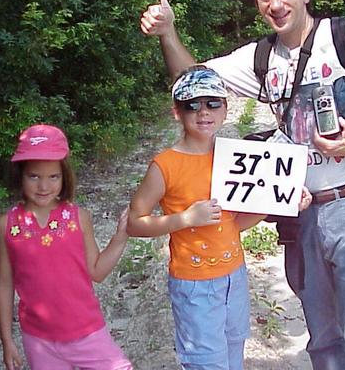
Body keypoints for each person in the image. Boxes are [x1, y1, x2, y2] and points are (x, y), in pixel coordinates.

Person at [140, 0, 345, 369]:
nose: (276, 3)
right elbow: (194, 81)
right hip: (298, 214)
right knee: (321, 334)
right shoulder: (261, 57)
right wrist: (168, 33)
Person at [128, 66, 312, 370]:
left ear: (226, 109)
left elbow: (235, 223)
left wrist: (282, 201)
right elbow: (135, 222)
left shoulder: (233, 158)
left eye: (213, 103)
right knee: (205, 362)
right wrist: (185, 219)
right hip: (194, 284)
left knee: (233, 351)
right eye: (192, 105)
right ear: (177, 112)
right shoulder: (165, 165)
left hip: (234, 276)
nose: (203, 112)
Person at [0, 124, 133, 370]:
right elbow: (4, 283)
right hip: (39, 341)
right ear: (20, 175)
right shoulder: (6, 225)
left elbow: (97, 272)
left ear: (64, 176)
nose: (43, 186)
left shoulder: (79, 218)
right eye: (34, 176)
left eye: (53, 177)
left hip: (88, 333)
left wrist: (121, 236)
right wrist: (7, 340)